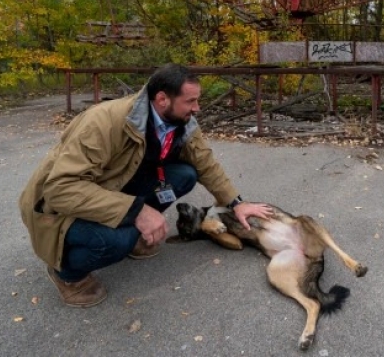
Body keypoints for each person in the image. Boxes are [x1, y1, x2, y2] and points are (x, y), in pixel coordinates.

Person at [18, 64, 272, 308]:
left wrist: (236, 203)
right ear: (162, 99)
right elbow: (61, 190)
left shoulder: (181, 122)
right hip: (56, 209)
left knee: (185, 175)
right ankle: (67, 274)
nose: (198, 108)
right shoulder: (103, 122)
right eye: (191, 101)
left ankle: (134, 231)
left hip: (108, 189)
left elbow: (205, 163)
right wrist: (137, 211)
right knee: (118, 240)